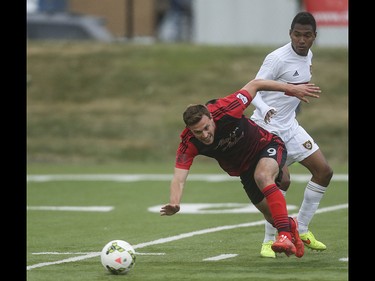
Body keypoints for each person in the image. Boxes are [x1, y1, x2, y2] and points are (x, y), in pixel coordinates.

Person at [160, 78, 321, 258]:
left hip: (266, 145)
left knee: (263, 176)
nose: (204, 135)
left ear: (212, 118)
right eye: (198, 132)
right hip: (244, 170)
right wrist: (175, 202)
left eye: (206, 128)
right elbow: (179, 178)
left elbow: (255, 84)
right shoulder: (188, 143)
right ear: (190, 130)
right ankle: (292, 229)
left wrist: (291, 88)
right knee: (272, 216)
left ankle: (284, 236)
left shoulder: (227, 108)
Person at [249, 11, 333, 258]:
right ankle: (268, 240)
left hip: (290, 127)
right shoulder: (276, 58)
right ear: (290, 34)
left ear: (314, 37)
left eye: (307, 35)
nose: (301, 40)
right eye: (297, 35)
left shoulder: (309, 56)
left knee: (324, 172)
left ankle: (303, 229)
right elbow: (252, 89)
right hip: (266, 129)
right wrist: (266, 109)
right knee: (281, 181)